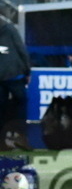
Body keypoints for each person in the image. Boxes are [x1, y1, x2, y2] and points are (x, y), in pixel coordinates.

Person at [0, 16, 31, 151]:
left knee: (1, 107)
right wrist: (27, 71)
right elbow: (21, 49)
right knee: (21, 102)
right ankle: (20, 136)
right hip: (13, 74)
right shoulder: (9, 28)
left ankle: (2, 141)